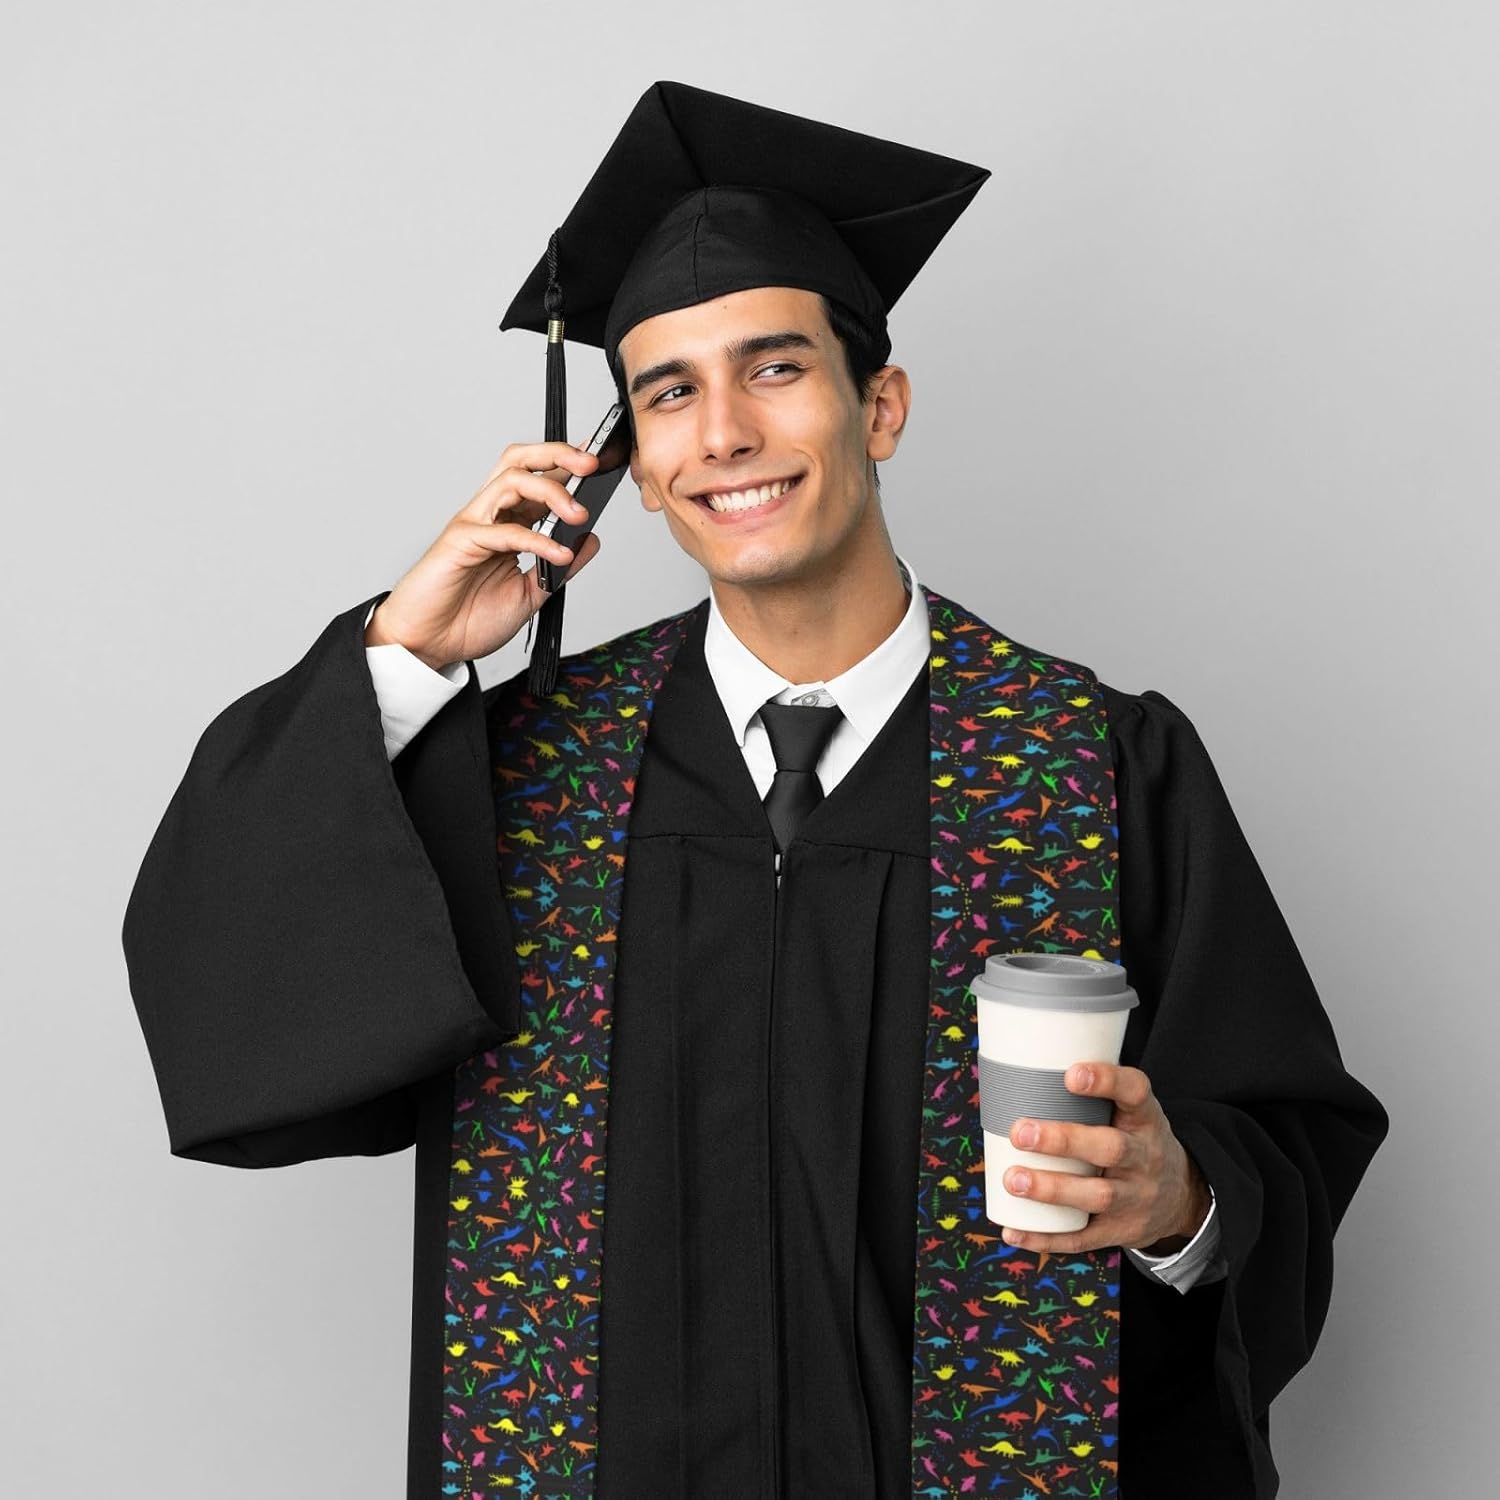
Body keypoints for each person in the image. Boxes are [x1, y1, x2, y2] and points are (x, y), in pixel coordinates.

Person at [122, 82, 1388, 1499]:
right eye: (669, 392)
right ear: (634, 468)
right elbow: (238, 1003)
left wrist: (1181, 1202)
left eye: (774, 368)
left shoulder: (1091, 764)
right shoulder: (529, 770)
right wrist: (405, 657)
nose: (721, 431)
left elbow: (1281, 1141)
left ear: (880, 407)